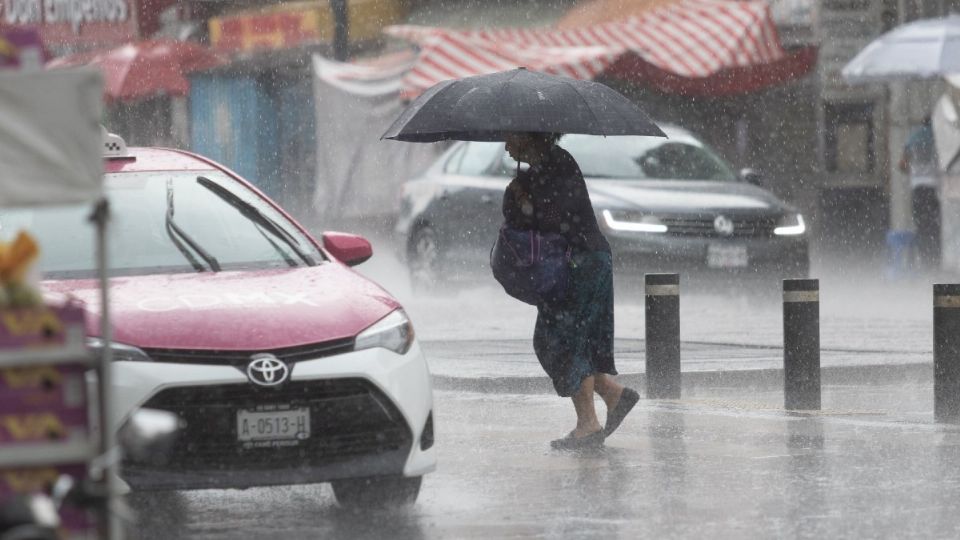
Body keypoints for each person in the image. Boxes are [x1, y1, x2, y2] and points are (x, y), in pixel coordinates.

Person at [501, 131, 639, 450]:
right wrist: (519, 196)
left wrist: (523, 200)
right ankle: (612, 395)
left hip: (580, 264)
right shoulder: (545, 167)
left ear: (530, 137)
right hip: (583, 261)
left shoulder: (554, 166)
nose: (507, 145)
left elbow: (553, 220)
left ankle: (589, 425)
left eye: (511, 137)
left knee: (560, 341)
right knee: (577, 340)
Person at [899, 116, 941, 270]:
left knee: (921, 227)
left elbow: (902, 165)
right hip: (933, 190)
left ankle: (925, 263)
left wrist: (915, 171)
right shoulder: (938, 138)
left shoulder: (912, 138)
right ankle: (935, 263)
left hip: (917, 189)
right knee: (935, 228)